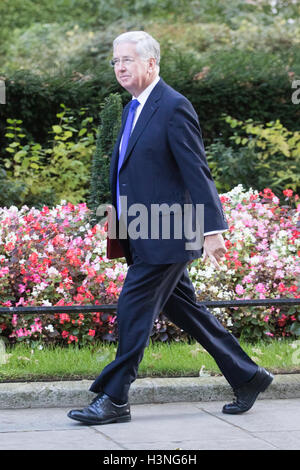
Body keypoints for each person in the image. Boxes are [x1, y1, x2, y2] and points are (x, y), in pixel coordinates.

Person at [68, 31, 273, 425]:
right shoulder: (133, 107)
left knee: (132, 310)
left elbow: (195, 169)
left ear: (151, 63)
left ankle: (114, 399)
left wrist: (211, 228)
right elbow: (132, 171)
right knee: (189, 312)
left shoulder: (174, 106)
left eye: (127, 60)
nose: (120, 67)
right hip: (142, 230)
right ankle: (249, 376)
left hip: (169, 232)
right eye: (115, 61)